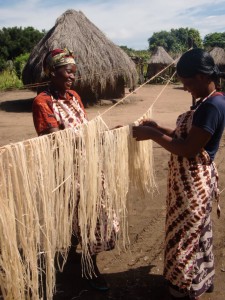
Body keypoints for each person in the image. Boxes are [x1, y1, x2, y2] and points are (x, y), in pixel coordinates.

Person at [133, 48, 225, 300]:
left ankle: (184, 286)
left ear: (203, 76)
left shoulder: (213, 106)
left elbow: (188, 148)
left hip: (194, 182)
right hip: (187, 181)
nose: (184, 88)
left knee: (187, 233)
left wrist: (152, 136)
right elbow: (183, 135)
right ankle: (200, 280)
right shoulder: (207, 102)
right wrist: (158, 127)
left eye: (187, 82)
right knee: (194, 230)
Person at [32, 48, 119, 292]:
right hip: (66, 169)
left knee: (92, 215)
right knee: (77, 216)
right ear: (52, 71)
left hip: (89, 165)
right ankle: (86, 268)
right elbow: (54, 139)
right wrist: (91, 137)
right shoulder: (43, 102)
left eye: (74, 72)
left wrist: (107, 134)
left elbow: (85, 126)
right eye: (67, 71)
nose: (72, 76)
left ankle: (85, 261)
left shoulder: (73, 96)